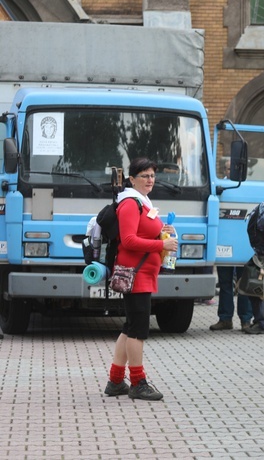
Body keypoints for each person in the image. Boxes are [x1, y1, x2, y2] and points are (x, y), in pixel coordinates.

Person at [103, 157, 177, 401]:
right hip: (135, 274)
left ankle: (115, 381)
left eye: (153, 176)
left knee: (130, 327)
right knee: (138, 331)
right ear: (132, 179)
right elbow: (129, 240)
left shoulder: (143, 202)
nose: (150, 180)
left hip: (143, 273)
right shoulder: (129, 204)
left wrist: (162, 231)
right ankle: (137, 383)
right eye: (144, 175)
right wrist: (161, 243)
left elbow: (143, 232)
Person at [211, 159, 254, 332]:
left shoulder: (250, 187)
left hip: (244, 243)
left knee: (245, 283)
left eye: (235, 168)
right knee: (225, 282)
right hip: (226, 243)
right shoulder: (220, 187)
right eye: (229, 168)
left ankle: (246, 319)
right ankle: (225, 318)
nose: (231, 171)